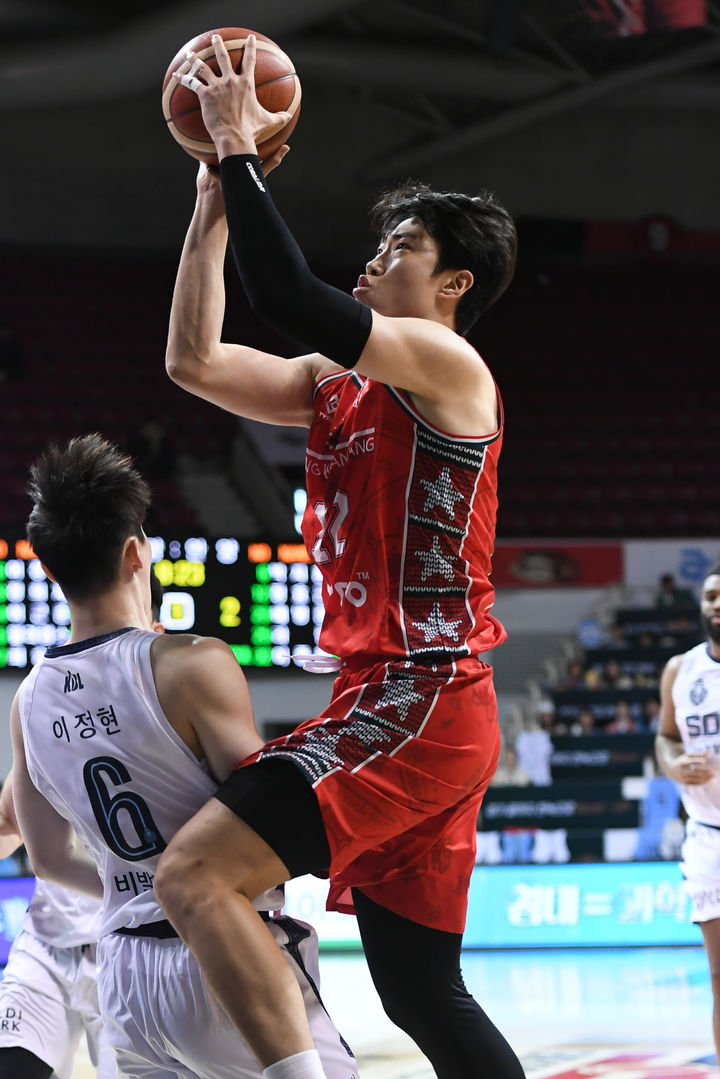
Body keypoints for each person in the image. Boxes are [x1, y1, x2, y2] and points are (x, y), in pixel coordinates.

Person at [159, 34, 523, 1079]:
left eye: (402, 246)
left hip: (425, 694)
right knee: (419, 989)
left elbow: (291, 294)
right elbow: (194, 359)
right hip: (394, 696)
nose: (376, 255)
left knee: (195, 874)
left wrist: (236, 144)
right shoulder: (337, 378)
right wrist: (210, 200)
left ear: (453, 282)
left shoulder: (448, 363)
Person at [9, 434, 357, 1079]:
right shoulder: (193, 663)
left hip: (122, 978)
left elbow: (50, 859)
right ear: (137, 552)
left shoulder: (28, 699)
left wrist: (134, 888)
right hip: (220, 954)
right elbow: (271, 809)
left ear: (48, 568)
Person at [0, 573, 165, 1079]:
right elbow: (9, 822)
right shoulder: (47, 703)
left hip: (135, 948)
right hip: (50, 941)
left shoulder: (171, 706)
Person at [655, 564, 720, 1064]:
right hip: (708, 836)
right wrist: (675, 765)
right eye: (710, 596)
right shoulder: (680, 669)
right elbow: (665, 737)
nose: (716, 604)